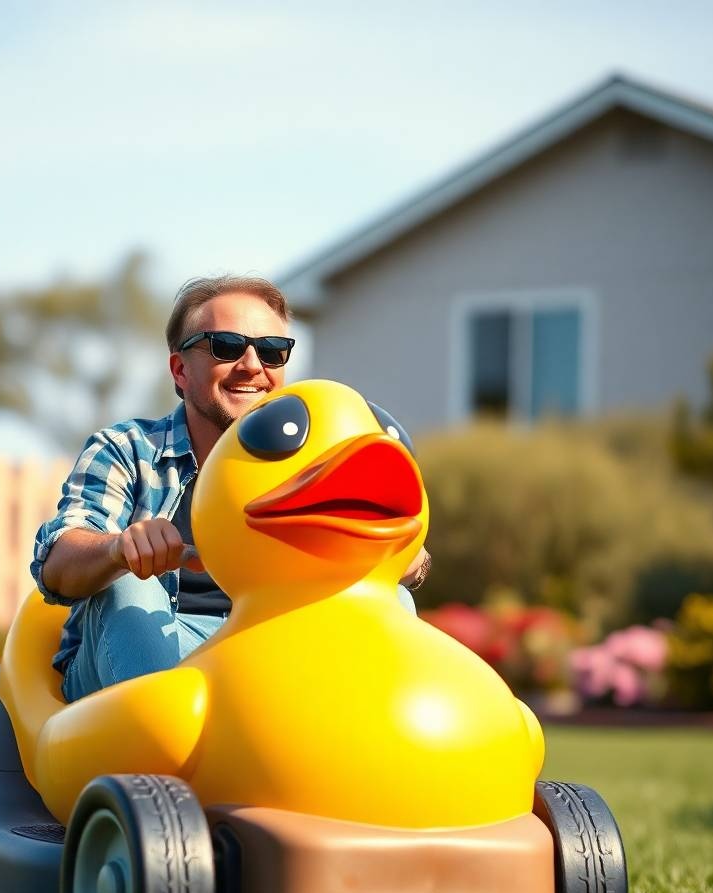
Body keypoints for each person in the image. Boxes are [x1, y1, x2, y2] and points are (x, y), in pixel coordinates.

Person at [30, 275, 429, 702]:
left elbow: (410, 558)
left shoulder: (312, 460)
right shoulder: (127, 449)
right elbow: (57, 566)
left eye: (272, 351)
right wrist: (118, 549)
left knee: (391, 598)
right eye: (226, 346)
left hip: (269, 650)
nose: (253, 365)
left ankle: (370, 739)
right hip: (162, 647)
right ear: (180, 370)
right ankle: (158, 733)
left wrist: (404, 558)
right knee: (131, 586)